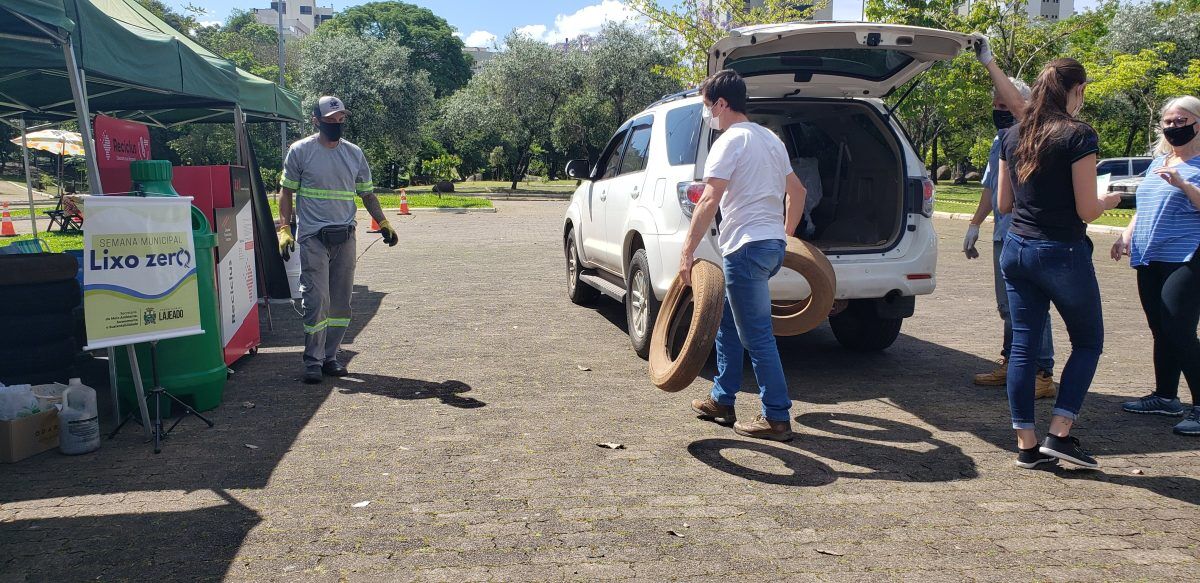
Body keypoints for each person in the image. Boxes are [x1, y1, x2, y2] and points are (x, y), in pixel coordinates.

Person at [996, 58, 1122, 469]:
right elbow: (1087, 209)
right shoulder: (1078, 136)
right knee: (1088, 342)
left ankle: (1026, 444)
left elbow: (1004, 204)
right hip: (1060, 251)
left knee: (1022, 347)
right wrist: (1108, 201)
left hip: (1016, 249)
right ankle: (1061, 433)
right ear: (1077, 89)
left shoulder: (1013, 135)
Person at [683, 70, 807, 441]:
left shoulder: (729, 140)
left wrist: (687, 252)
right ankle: (722, 399)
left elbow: (708, 199)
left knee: (757, 335)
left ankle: (777, 417)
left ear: (721, 104)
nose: (708, 114)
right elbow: (797, 192)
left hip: (746, 248)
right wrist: (784, 234)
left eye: (707, 106)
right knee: (728, 320)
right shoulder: (771, 139)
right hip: (768, 246)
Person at [277, 96, 398, 384]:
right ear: (316, 120)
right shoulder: (300, 151)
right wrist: (284, 228)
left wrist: (383, 222)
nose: (336, 124)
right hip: (313, 238)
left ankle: (331, 357)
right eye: (330, 120)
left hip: (345, 237)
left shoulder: (354, 154)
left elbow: (367, 193)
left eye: (340, 119)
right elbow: (286, 192)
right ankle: (312, 361)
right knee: (316, 300)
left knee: (341, 304)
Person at [964, 43, 1057, 398]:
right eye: (996, 105)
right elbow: (991, 187)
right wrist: (975, 224)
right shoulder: (999, 140)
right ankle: (1013, 363)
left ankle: (1041, 373)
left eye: (1006, 104)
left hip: (1032, 234)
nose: (1000, 110)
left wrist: (990, 61)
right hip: (1005, 234)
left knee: (1032, 305)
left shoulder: (1037, 136)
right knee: (1010, 306)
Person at [1111, 96, 1200, 435]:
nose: (1174, 127)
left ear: (1198, 123)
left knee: (1180, 330)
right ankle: (1165, 398)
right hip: (1150, 255)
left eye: (1181, 121)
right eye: (1169, 122)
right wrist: (1125, 236)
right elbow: (1143, 206)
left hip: (1188, 257)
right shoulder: (1159, 161)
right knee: (1160, 328)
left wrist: (1184, 184)